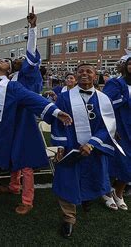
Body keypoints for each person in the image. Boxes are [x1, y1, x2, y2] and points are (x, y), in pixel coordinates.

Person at [0, 55, 72, 204]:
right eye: (2, 59)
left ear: (9, 70)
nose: (3, 61)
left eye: (7, 62)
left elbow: (32, 98)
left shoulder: (12, 86)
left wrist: (56, 112)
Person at [51, 63, 123, 238]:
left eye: (88, 71)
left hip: (94, 148)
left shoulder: (103, 99)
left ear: (95, 75)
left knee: (92, 177)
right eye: (81, 71)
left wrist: (91, 143)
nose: (84, 74)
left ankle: (86, 198)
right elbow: (58, 123)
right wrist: (60, 146)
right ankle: (69, 217)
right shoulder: (65, 97)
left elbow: (108, 126)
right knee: (67, 179)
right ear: (75, 75)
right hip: (71, 147)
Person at [0, 7, 50, 214]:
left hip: (26, 120)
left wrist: (33, 28)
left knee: (25, 159)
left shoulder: (31, 74)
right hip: (13, 118)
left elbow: (30, 53)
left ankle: (27, 200)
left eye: (23, 58)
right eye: (16, 59)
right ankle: (13, 186)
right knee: (14, 153)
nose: (18, 59)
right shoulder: (14, 77)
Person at [102, 56, 131, 211]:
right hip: (120, 129)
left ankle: (118, 193)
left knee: (129, 164)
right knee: (115, 162)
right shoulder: (116, 83)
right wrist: (123, 99)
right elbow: (105, 104)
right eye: (130, 63)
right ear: (125, 66)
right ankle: (107, 193)